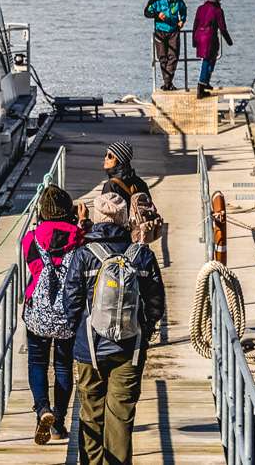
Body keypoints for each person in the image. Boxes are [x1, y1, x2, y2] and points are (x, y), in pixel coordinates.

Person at [62, 187, 165, 465]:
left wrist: (75, 337)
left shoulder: (83, 255)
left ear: (96, 218)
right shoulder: (142, 256)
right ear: (123, 220)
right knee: (120, 418)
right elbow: (156, 304)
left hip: (89, 350)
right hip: (130, 349)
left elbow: (70, 304)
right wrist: (146, 331)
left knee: (91, 416)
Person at [20, 184, 80, 445]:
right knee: (63, 366)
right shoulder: (80, 238)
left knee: (37, 363)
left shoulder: (30, 239)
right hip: (67, 314)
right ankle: (59, 421)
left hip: (38, 315)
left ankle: (42, 410)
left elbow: (34, 268)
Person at [143, 0, 187, 90]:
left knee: (174, 57)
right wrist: (157, 15)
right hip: (160, 32)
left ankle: (167, 83)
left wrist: (182, 20)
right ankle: (168, 83)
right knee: (162, 57)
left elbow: (183, 10)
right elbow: (146, 12)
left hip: (173, 30)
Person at [191, 0, 234, 99]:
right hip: (210, 39)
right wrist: (229, 41)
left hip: (199, 37)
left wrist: (193, 41)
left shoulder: (200, 8)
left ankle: (205, 83)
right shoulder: (218, 11)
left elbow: (195, 25)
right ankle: (200, 87)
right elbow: (223, 28)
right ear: (218, 0)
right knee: (207, 62)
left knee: (209, 60)